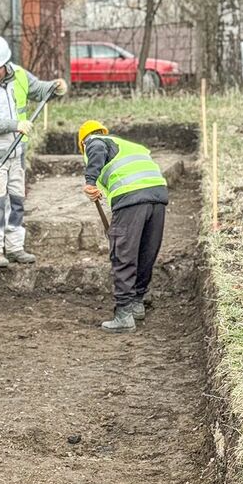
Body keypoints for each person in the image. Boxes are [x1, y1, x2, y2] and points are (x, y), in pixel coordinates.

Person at [0, 36, 67, 268]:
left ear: (6, 64)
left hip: (17, 152)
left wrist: (55, 87)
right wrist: (15, 125)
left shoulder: (19, 75)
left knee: (17, 200)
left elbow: (39, 90)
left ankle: (14, 247)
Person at [77, 120, 168, 332]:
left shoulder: (95, 141)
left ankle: (124, 314)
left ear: (83, 142)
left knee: (123, 253)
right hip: (158, 195)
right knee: (146, 252)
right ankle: (137, 303)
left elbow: (97, 149)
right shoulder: (126, 146)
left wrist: (90, 181)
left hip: (131, 199)